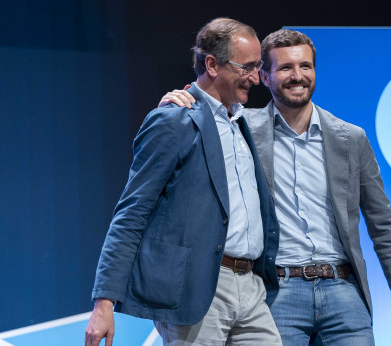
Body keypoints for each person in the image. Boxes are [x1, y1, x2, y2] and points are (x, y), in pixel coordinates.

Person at [160, 29, 391, 346]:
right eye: (285, 68)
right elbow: (199, 118)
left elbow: (383, 224)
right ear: (264, 77)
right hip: (278, 291)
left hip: (343, 290)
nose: (297, 76)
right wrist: (176, 102)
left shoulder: (350, 138)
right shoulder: (240, 129)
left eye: (305, 67)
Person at [85, 18, 282, 346]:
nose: (255, 78)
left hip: (251, 286)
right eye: (247, 67)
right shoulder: (173, 120)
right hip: (197, 288)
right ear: (212, 65)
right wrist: (103, 303)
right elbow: (131, 214)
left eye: (258, 66)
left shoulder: (243, 122)